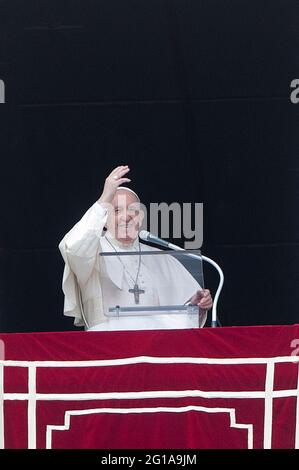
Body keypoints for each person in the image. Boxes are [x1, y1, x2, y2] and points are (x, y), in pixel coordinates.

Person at [59, 165, 213, 331]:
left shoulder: (161, 257)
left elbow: (179, 317)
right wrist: (104, 198)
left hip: (153, 348)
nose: (127, 216)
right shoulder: (90, 251)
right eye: (117, 210)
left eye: (133, 210)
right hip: (106, 346)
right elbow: (72, 248)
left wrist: (196, 307)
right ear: (103, 217)